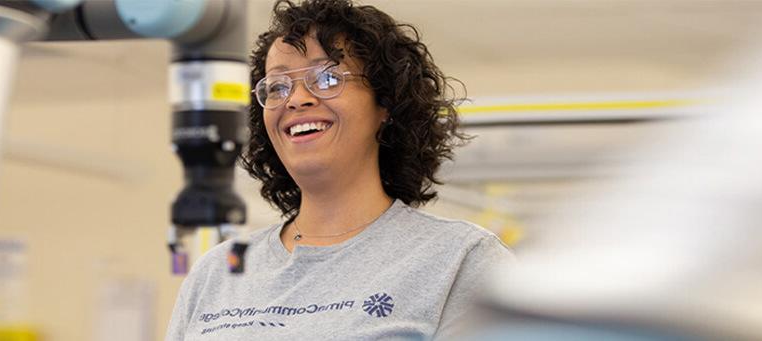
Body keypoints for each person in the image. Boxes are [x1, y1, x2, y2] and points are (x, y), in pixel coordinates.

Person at [166, 0, 513, 339]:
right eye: (277, 86)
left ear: (386, 103)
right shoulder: (216, 272)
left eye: (328, 78)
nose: (296, 99)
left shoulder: (461, 260)